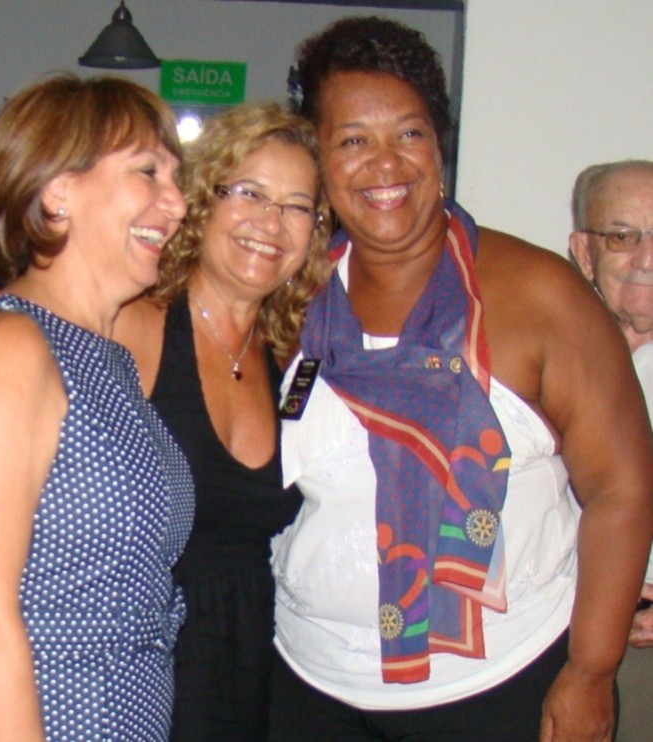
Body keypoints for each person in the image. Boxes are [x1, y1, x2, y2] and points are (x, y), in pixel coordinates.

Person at [268, 16, 653, 742]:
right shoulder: (290, 298)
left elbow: (621, 489)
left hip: (503, 683)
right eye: (352, 140)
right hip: (308, 681)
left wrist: (591, 670)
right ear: (317, 156)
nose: (385, 164)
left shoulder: (538, 294)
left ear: (439, 145)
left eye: (408, 133)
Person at [0, 102, 332, 740]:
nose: (272, 221)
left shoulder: (294, 353)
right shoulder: (118, 325)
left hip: (224, 673)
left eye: (298, 206)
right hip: (94, 696)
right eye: (249, 192)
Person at [0, 74, 195, 741]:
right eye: (148, 172)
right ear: (57, 190)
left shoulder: (107, 356)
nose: (178, 203)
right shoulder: (10, 344)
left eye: (176, 178)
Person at [569, 159, 653, 650]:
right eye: (622, 237)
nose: (647, 258)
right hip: (547, 628)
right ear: (585, 252)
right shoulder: (544, 352)